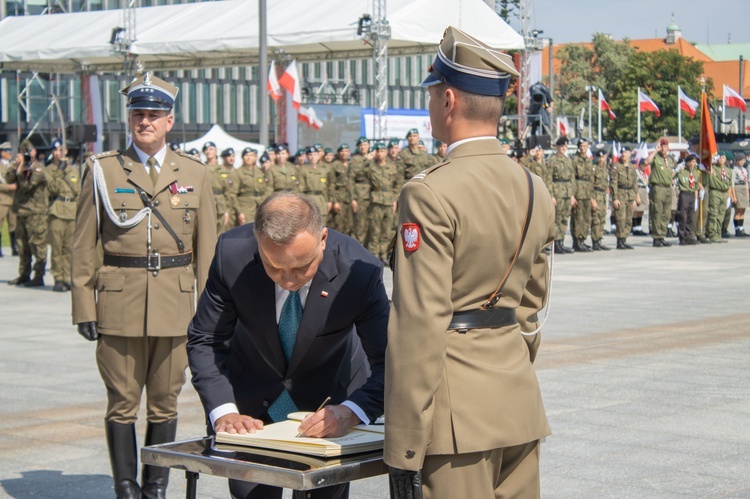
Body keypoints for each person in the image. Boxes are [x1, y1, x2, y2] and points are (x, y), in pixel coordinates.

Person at [385, 26, 555, 499]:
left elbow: (418, 323)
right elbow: (531, 305)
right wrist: (506, 363)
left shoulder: (429, 191)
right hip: (517, 399)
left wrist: (403, 448)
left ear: (449, 100)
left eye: (433, 93)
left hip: (456, 417)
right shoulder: (533, 187)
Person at [71, 73, 217, 499]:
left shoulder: (195, 173)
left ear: (170, 121)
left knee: (165, 403)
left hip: (176, 306)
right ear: (129, 119)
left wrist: (209, 312)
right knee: (121, 402)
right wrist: (84, 306)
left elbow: (206, 250)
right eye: (138, 114)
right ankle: (125, 487)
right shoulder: (102, 170)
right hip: (119, 304)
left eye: (154, 115)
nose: (145, 122)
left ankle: (155, 487)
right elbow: (83, 244)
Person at [186, 193, 389, 499]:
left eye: (301, 268)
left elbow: (392, 360)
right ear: (258, 240)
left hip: (329, 407)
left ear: (322, 239)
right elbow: (206, 339)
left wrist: (352, 412)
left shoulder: (359, 272)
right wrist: (225, 411)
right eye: (274, 267)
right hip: (252, 409)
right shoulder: (232, 255)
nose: (289, 280)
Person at [5, 140, 48, 286]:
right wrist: (14, 165)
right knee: (22, 246)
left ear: (35, 152)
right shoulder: (20, 166)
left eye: (30, 152)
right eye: (25, 153)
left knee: (37, 244)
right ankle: (24, 274)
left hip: (36, 213)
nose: (28, 156)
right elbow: (8, 178)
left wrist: (20, 171)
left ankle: (39, 275)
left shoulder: (39, 169)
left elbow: (26, 186)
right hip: (21, 211)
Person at [45, 138, 80, 291]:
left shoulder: (73, 170)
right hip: (57, 211)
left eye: (60, 150)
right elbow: (52, 188)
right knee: (57, 247)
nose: (58, 153)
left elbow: (78, 191)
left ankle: (67, 277)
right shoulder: (49, 170)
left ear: (65, 152)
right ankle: (58, 277)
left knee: (69, 248)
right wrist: (59, 170)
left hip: (71, 210)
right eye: (55, 151)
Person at [365, 141, 401, 264]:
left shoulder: (392, 166)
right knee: (375, 229)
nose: (380, 154)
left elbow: (397, 184)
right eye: (378, 152)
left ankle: (384, 254)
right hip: (376, 200)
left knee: (386, 230)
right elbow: (360, 173)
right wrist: (368, 159)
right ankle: (373, 254)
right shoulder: (371, 166)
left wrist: (395, 199)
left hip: (389, 200)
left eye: (382, 151)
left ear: (385, 153)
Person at [548, 136, 576, 254]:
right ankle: (555, 243)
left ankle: (561, 241)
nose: (564, 148)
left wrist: (572, 195)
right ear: (558, 147)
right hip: (557, 191)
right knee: (557, 218)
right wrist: (551, 195)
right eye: (562, 146)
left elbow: (572, 178)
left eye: (565, 146)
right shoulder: (552, 160)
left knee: (565, 218)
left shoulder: (568, 160)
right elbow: (549, 179)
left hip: (567, 192)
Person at [646, 138, 676, 247]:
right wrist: (655, 150)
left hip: (668, 187)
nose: (664, 148)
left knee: (666, 213)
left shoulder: (670, 159)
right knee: (657, 212)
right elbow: (647, 162)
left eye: (665, 146)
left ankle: (662, 235)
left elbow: (671, 174)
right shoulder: (656, 157)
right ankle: (656, 237)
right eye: (662, 146)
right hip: (658, 187)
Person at [610, 147, 639, 249]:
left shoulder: (632, 167)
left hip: (630, 195)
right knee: (620, 219)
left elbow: (635, 183)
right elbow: (613, 183)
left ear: (630, 154)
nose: (623, 154)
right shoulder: (616, 167)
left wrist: (635, 198)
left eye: (625, 152)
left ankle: (624, 239)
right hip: (621, 194)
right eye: (622, 152)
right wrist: (615, 198)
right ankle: (619, 240)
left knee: (628, 219)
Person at [570, 139, 595, 252]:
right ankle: (577, 241)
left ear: (588, 147)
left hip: (587, 193)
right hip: (578, 192)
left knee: (586, 218)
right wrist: (572, 195)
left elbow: (591, 180)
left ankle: (583, 239)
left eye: (585, 146)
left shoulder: (589, 161)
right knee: (577, 218)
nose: (583, 148)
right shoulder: (575, 160)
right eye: (581, 146)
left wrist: (592, 196)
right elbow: (571, 178)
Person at [236, 147, 270, 226]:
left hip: (259, 206)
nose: (249, 157)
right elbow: (233, 195)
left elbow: (265, 189)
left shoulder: (259, 173)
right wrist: (239, 212)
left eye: (251, 155)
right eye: (246, 155)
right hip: (246, 207)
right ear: (242, 157)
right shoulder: (237, 173)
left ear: (254, 157)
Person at [706, 151, 732, 243]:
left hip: (724, 193)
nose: (721, 159)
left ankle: (718, 233)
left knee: (721, 215)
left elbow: (729, 185)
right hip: (715, 192)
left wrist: (729, 197)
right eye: (720, 157)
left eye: (723, 158)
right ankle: (712, 234)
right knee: (713, 213)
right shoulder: (712, 168)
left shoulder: (728, 171)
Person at [675, 153, 700, 245]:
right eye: (691, 162)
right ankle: (682, 237)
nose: (693, 164)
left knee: (692, 217)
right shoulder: (682, 171)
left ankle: (690, 236)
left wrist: (696, 199)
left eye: (694, 162)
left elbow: (696, 186)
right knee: (683, 216)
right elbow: (672, 177)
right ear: (687, 162)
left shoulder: (696, 173)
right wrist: (676, 170)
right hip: (684, 194)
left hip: (692, 194)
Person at [0, 141, 19, 257]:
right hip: (2, 200)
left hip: (13, 200)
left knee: (14, 225)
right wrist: (8, 187)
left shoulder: (13, 166)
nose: (10, 154)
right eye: (8, 151)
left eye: (11, 151)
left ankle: (15, 248)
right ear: (2, 153)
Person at [729, 151, 749, 237]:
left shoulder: (744, 170)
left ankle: (741, 228)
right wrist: (733, 196)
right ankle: (737, 229)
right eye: (740, 160)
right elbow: (732, 184)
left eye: (743, 160)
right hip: (737, 188)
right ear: (736, 161)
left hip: (744, 188)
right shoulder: (734, 170)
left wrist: (748, 193)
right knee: (738, 210)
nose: (742, 162)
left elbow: (747, 182)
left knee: (743, 210)